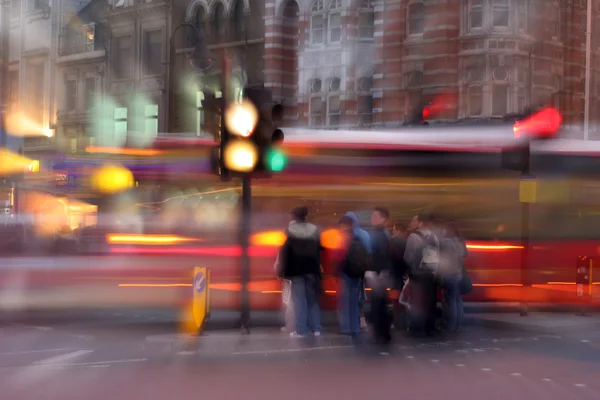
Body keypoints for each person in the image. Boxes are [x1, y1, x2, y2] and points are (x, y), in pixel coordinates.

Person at [279, 207, 323, 338]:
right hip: (312, 269)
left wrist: (283, 271)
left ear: (294, 217)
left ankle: (301, 330)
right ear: (306, 215)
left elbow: (285, 252)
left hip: (296, 270)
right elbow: (318, 249)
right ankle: (316, 329)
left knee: (299, 301)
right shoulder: (315, 230)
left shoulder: (290, 231)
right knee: (313, 300)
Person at [404, 212, 440, 336]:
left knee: (417, 302)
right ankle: (429, 327)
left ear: (420, 222)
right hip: (430, 274)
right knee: (429, 301)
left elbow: (408, 257)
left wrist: (409, 270)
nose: (412, 223)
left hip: (417, 274)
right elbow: (438, 255)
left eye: (414, 220)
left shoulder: (413, 237)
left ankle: (416, 328)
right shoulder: (434, 237)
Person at [337, 215, 368, 337]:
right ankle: (355, 328)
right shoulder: (358, 238)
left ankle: (346, 328)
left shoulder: (343, 238)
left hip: (345, 273)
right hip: (357, 273)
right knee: (354, 302)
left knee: (345, 302)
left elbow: (339, 256)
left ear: (344, 225)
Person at [367, 207, 394, 344]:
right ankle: (383, 332)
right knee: (381, 302)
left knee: (378, 303)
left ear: (383, 219)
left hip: (378, 273)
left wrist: (375, 272)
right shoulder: (386, 234)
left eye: (375, 216)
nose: (372, 219)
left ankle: (381, 332)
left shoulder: (378, 234)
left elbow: (376, 254)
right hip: (383, 272)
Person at [342, 212, 371, 331]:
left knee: (348, 299)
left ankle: (348, 326)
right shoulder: (364, 234)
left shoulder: (345, 235)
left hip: (347, 271)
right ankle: (361, 322)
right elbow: (369, 252)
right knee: (359, 296)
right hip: (360, 270)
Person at [438, 220, 468, 332]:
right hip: (458, 273)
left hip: (449, 274)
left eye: (443, 229)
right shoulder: (459, 241)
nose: (442, 231)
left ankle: (450, 325)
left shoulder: (445, 242)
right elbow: (466, 254)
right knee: (457, 299)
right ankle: (458, 323)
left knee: (449, 301)